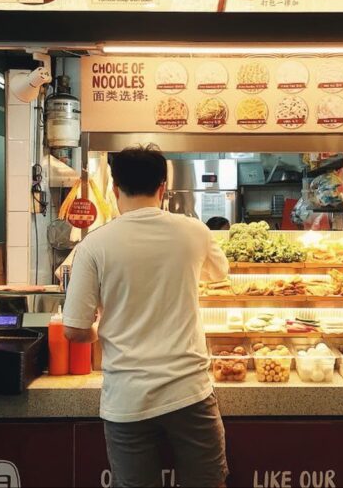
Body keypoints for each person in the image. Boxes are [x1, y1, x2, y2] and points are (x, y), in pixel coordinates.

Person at [63, 145, 230, 488]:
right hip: (190, 393)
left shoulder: (94, 245)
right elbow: (220, 274)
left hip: (128, 398)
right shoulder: (194, 231)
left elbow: (75, 330)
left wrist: (100, 328)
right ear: (163, 188)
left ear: (115, 189)